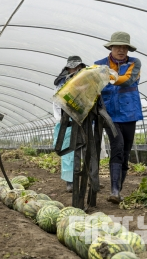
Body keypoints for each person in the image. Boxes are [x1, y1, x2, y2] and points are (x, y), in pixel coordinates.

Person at [94, 32, 143, 204]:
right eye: (118, 47)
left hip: (129, 112)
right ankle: (114, 190)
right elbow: (93, 85)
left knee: (126, 151)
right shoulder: (98, 65)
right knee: (117, 146)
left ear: (128, 49)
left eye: (124, 47)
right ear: (111, 47)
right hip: (109, 113)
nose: (121, 50)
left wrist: (109, 77)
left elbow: (128, 80)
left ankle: (118, 190)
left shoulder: (134, 63)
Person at [53, 56, 86, 192]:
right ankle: (70, 181)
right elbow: (57, 103)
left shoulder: (86, 83)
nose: (75, 70)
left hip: (84, 121)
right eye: (73, 68)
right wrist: (63, 118)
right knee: (68, 152)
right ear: (67, 69)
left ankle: (87, 178)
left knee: (87, 151)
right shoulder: (61, 85)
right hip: (67, 122)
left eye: (78, 68)